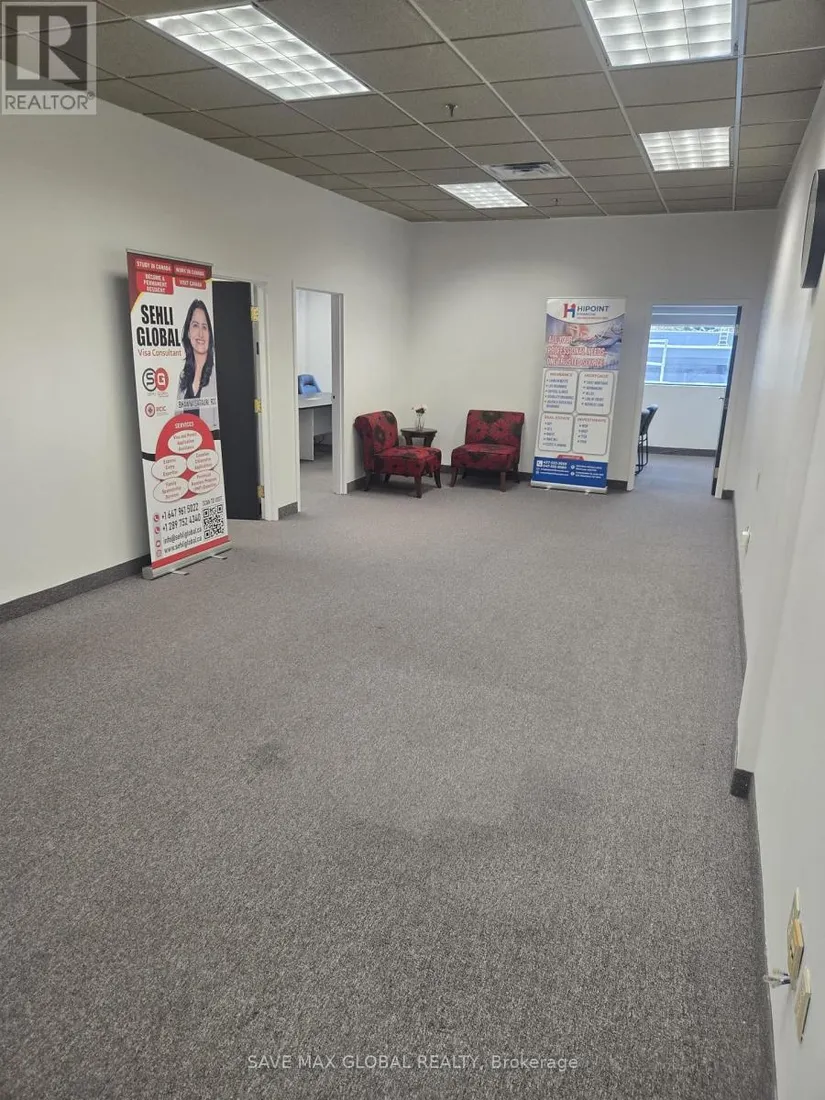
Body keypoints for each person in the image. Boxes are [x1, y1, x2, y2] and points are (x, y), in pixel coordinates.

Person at [177, 299, 219, 431]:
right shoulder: (183, 375)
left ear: (210, 335)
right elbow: (176, 422)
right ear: (188, 332)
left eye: (204, 327)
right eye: (195, 325)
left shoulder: (217, 376)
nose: (200, 333)